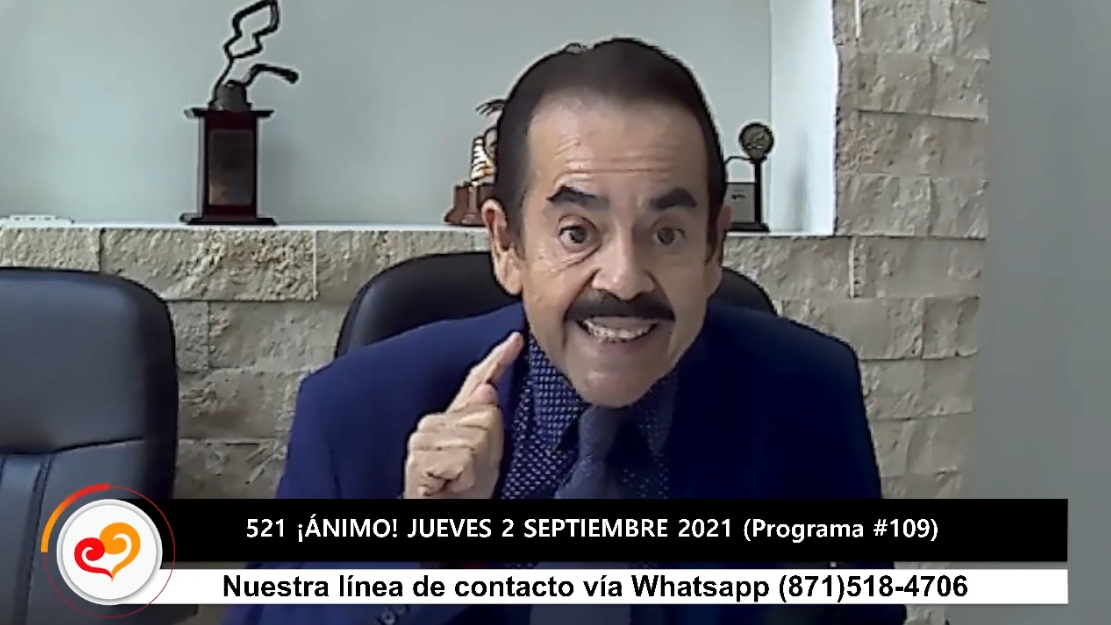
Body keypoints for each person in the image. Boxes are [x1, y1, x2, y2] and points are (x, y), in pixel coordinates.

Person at [224, 38, 905, 625]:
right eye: (577, 233)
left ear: (712, 248)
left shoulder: (808, 395)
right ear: (506, 245)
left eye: (667, 234)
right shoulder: (354, 411)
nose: (624, 280)